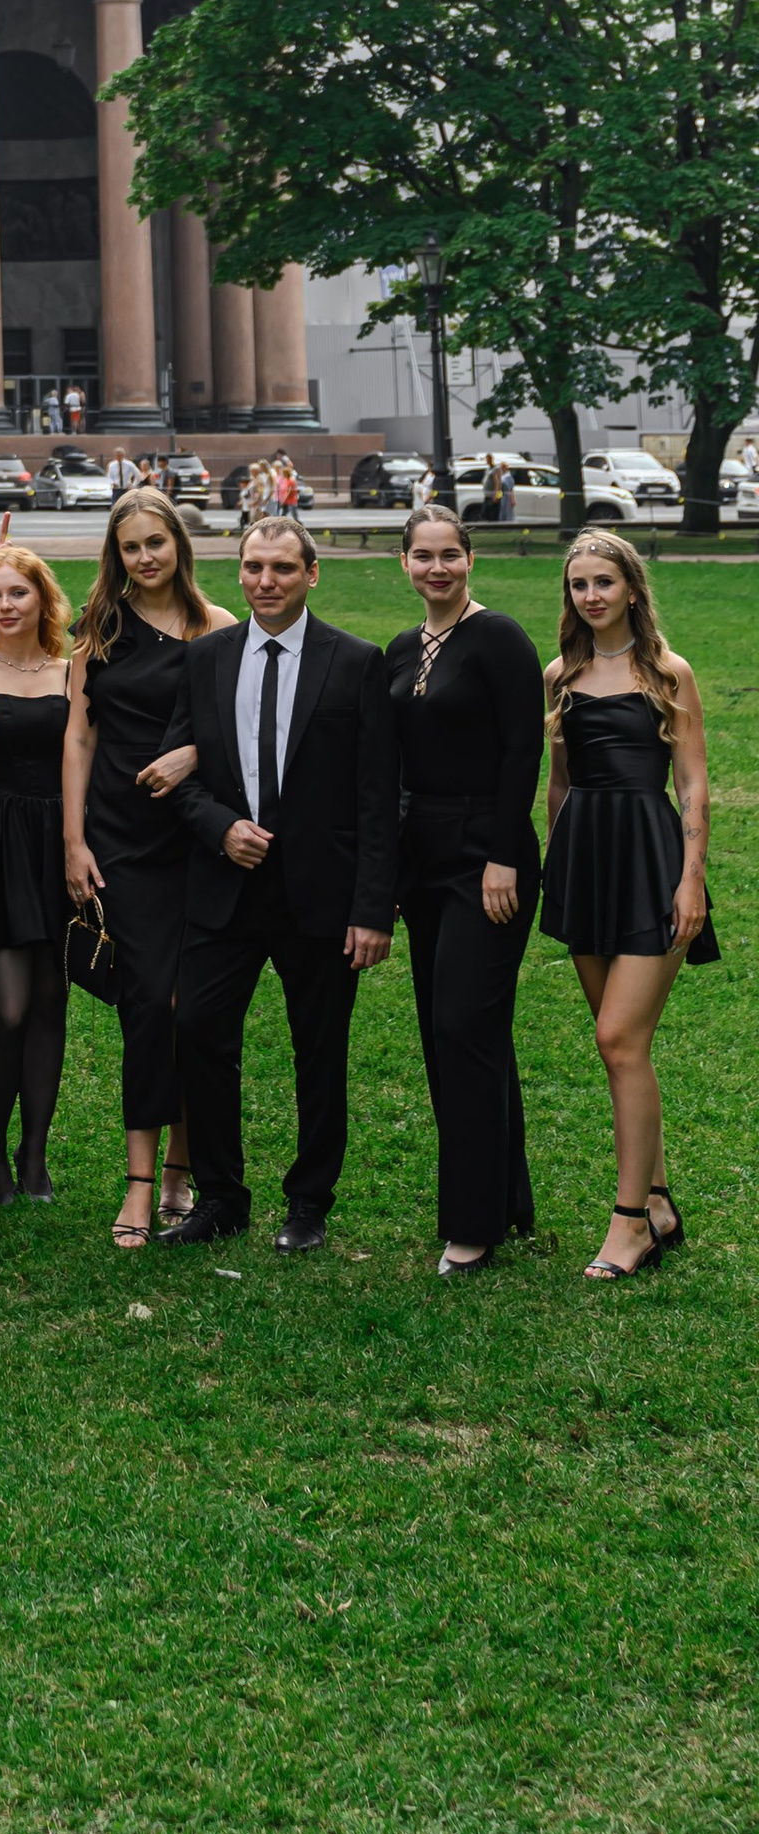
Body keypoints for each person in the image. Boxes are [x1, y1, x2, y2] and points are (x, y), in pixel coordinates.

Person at [163, 515, 399, 1253]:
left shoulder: (356, 661)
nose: (266, 581)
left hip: (321, 894)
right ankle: (221, 1197)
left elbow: (379, 794)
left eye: (283, 569)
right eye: (254, 567)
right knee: (199, 1031)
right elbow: (178, 772)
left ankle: (309, 1203)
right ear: (239, 571)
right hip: (225, 885)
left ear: (311, 574)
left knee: (319, 1052)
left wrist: (373, 908)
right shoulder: (205, 657)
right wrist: (219, 827)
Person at [541, 529, 717, 1281]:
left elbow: (694, 783)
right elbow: (558, 784)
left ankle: (629, 1225)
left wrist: (690, 879)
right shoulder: (560, 674)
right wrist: (556, 866)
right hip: (585, 862)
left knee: (619, 1038)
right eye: (578, 584)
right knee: (620, 1047)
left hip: (652, 862)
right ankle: (659, 1200)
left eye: (603, 582)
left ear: (632, 589)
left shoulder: (668, 671)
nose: (591, 595)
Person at [382, 500, 543, 1275]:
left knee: (462, 1027)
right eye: (424, 555)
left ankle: (472, 1226)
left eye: (450, 553)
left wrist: (503, 854)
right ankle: (506, 1197)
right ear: (404, 563)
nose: (437, 567)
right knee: (456, 1031)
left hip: (487, 854)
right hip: (423, 856)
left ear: (470, 558)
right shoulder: (400, 647)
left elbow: (523, 750)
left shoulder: (500, 638)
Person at [63, 492, 222, 1248]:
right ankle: (137, 1182)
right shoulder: (98, 629)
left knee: (192, 1011)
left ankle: (182, 1174)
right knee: (147, 1006)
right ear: (116, 555)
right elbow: (78, 739)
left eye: (156, 542)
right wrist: (73, 840)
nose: (145, 557)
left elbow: (245, 732)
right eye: (131, 547)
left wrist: (193, 752)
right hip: (120, 840)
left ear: (178, 544)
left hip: (197, 839)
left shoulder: (216, 626)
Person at [0, 547, 74, 1205]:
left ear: (43, 599)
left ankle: (33, 1154)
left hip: (53, 842)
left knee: (49, 1001)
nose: (6, 605)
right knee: (5, 1008)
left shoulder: (71, 671)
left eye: (18, 592)